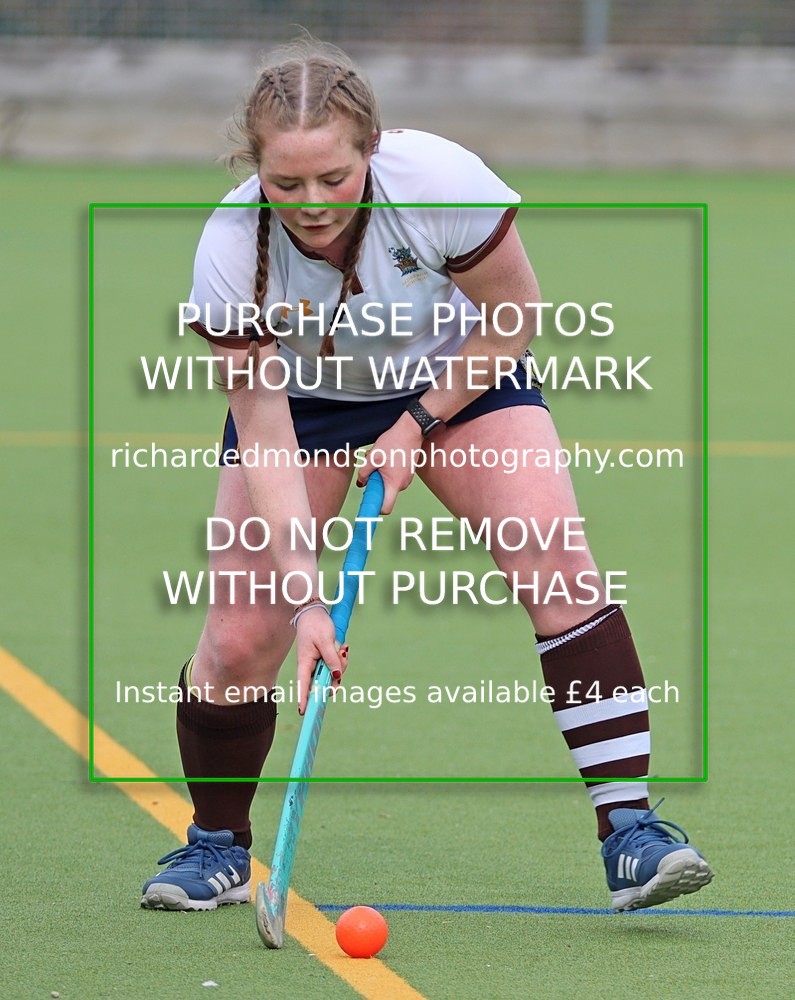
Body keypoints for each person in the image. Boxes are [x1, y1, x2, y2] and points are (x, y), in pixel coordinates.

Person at [141, 39, 712, 914]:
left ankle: (629, 831)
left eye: (333, 177)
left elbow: (511, 315)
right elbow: (263, 431)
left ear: (370, 146)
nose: (312, 204)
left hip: (458, 373)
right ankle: (215, 847)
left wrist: (417, 422)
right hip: (308, 401)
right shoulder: (230, 247)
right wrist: (306, 599)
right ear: (253, 168)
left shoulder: (439, 180)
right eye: (285, 183)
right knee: (235, 642)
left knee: (556, 563)